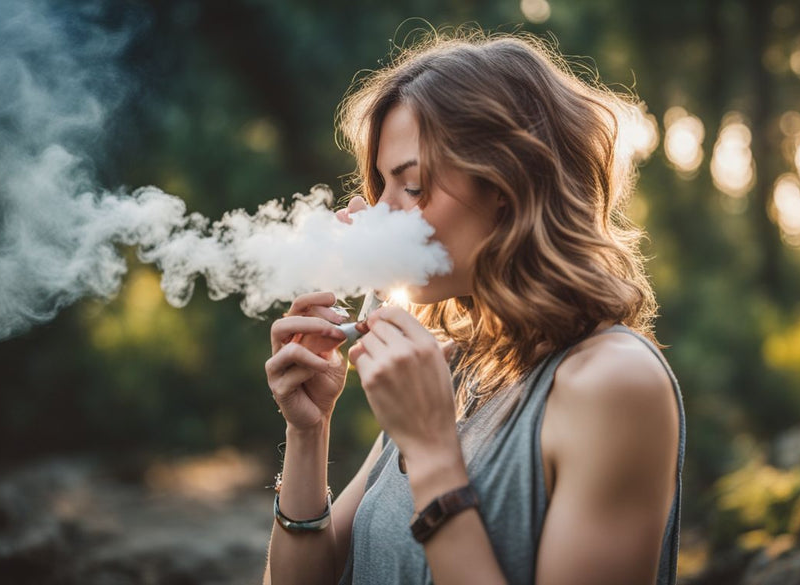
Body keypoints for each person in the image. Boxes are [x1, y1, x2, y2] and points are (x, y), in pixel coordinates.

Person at [262, 29, 685, 585]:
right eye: (381, 184)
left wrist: (433, 458)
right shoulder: (459, 366)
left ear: (508, 190)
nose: (376, 213)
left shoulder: (614, 384)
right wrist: (308, 433)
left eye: (411, 187)